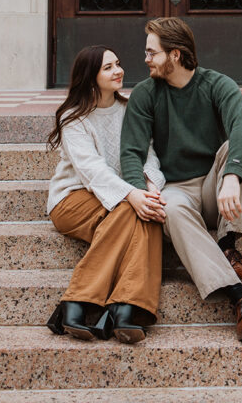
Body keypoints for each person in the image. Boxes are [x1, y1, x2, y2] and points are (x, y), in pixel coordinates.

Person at [120, 17, 242, 340]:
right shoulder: (145, 94)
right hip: (177, 189)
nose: (145, 60)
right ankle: (239, 295)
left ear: (175, 54)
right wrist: (138, 192)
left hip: (215, 185)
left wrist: (230, 176)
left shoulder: (217, 84)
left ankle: (227, 244)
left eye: (151, 53)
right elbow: (131, 151)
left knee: (238, 149)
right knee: (170, 207)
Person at [45, 44, 166, 343]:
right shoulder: (74, 118)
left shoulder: (129, 110)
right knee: (136, 211)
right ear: (90, 76)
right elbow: (93, 172)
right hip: (73, 199)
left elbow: (147, 154)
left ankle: (114, 309)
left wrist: (150, 186)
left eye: (118, 63)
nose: (119, 71)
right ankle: (112, 306)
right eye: (108, 67)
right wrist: (134, 196)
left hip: (120, 197)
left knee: (145, 215)